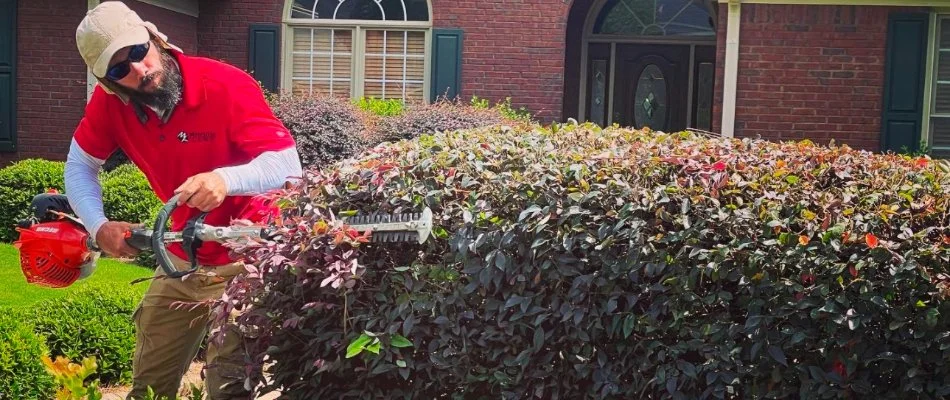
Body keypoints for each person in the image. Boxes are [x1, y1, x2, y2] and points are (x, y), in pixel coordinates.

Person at [66, 2, 302, 399]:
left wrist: (225, 179)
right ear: (107, 82)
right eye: (120, 68)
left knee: (227, 389)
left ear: (155, 38)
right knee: (147, 388)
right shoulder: (112, 105)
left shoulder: (224, 83)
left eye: (139, 52)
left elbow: (287, 164)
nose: (139, 70)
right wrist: (98, 225)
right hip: (182, 254)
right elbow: (79, 166)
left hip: (245, 257)